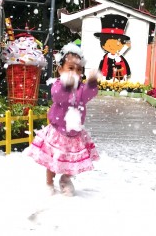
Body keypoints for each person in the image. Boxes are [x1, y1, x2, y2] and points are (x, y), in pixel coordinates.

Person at [25, 42, 100, 196]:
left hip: (74, 133)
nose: (75, 73)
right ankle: (49, 182)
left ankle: (66, 178)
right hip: (58, 132)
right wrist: (68, 85)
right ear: (60, 70)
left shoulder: (80, 88)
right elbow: (59, 97)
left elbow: (88, 95)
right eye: (70, 68)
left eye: (79, 70)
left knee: (73, 161)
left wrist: (92, 83)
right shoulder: (57, 85)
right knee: (53, 161)